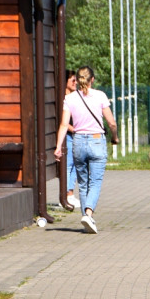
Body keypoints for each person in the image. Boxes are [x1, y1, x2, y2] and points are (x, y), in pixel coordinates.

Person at [55, 66, 118, 234]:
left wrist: (58, 147)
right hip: (96, 140)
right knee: (95, 182)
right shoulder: (100, 96)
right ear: (92, 80)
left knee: (83, 183)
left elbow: (63, 124)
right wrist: (115, 136)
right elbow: (111, 122)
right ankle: (88, 214)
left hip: (78, 142)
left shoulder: (70, 99)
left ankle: (86, 220)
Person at [63, 71, 80, 209]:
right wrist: (74, 130)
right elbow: (63, 120)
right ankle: (65, 195)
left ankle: (70, 193)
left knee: (75, 165)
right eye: (72, 80)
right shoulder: (64, 99)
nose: (75, 83)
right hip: (69, 135)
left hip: (76, 135)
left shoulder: (76, 97)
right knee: (68, 165)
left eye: (76, 80)